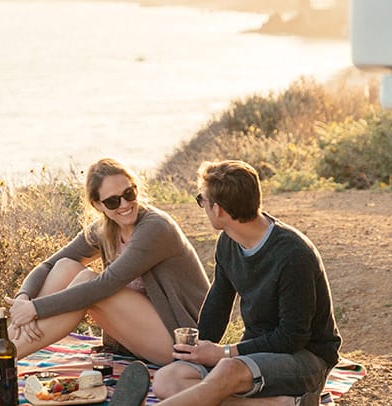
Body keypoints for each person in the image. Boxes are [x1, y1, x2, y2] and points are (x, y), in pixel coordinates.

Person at [0, 157, 210, 387]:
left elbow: (106, 284)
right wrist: (24, 297)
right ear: (98, 205)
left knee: (90, 282)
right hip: (141, 334)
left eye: (129, 193)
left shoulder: (154, 227)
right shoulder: (107, 229)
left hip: (180, 342)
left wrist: (36, 309)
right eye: (113, 200)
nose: (124, 204)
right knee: (66, 267)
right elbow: (49, 264)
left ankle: (1, 359)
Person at [115, 160, 341, 406]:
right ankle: (283, 404)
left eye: (202, 199)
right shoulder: (228, 242)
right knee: (168, 380)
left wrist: (225, 353)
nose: (202, 206)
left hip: (306, 359)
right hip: (254, 355)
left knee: (228, 370)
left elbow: (292, 338)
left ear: (219, 209)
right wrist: (198, 351)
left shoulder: (293, 254)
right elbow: (218, 306)